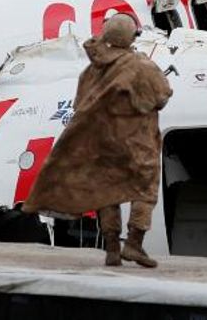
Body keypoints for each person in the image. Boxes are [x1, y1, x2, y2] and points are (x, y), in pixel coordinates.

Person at [24, 13, 173, 267]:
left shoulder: (90, 70)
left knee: (107, 192)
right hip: (136, 140)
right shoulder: (140, 65)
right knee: (145, 189)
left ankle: (112, 248)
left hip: (102, 141)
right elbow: (161, 96)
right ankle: (134, 244)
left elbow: (80, 105)